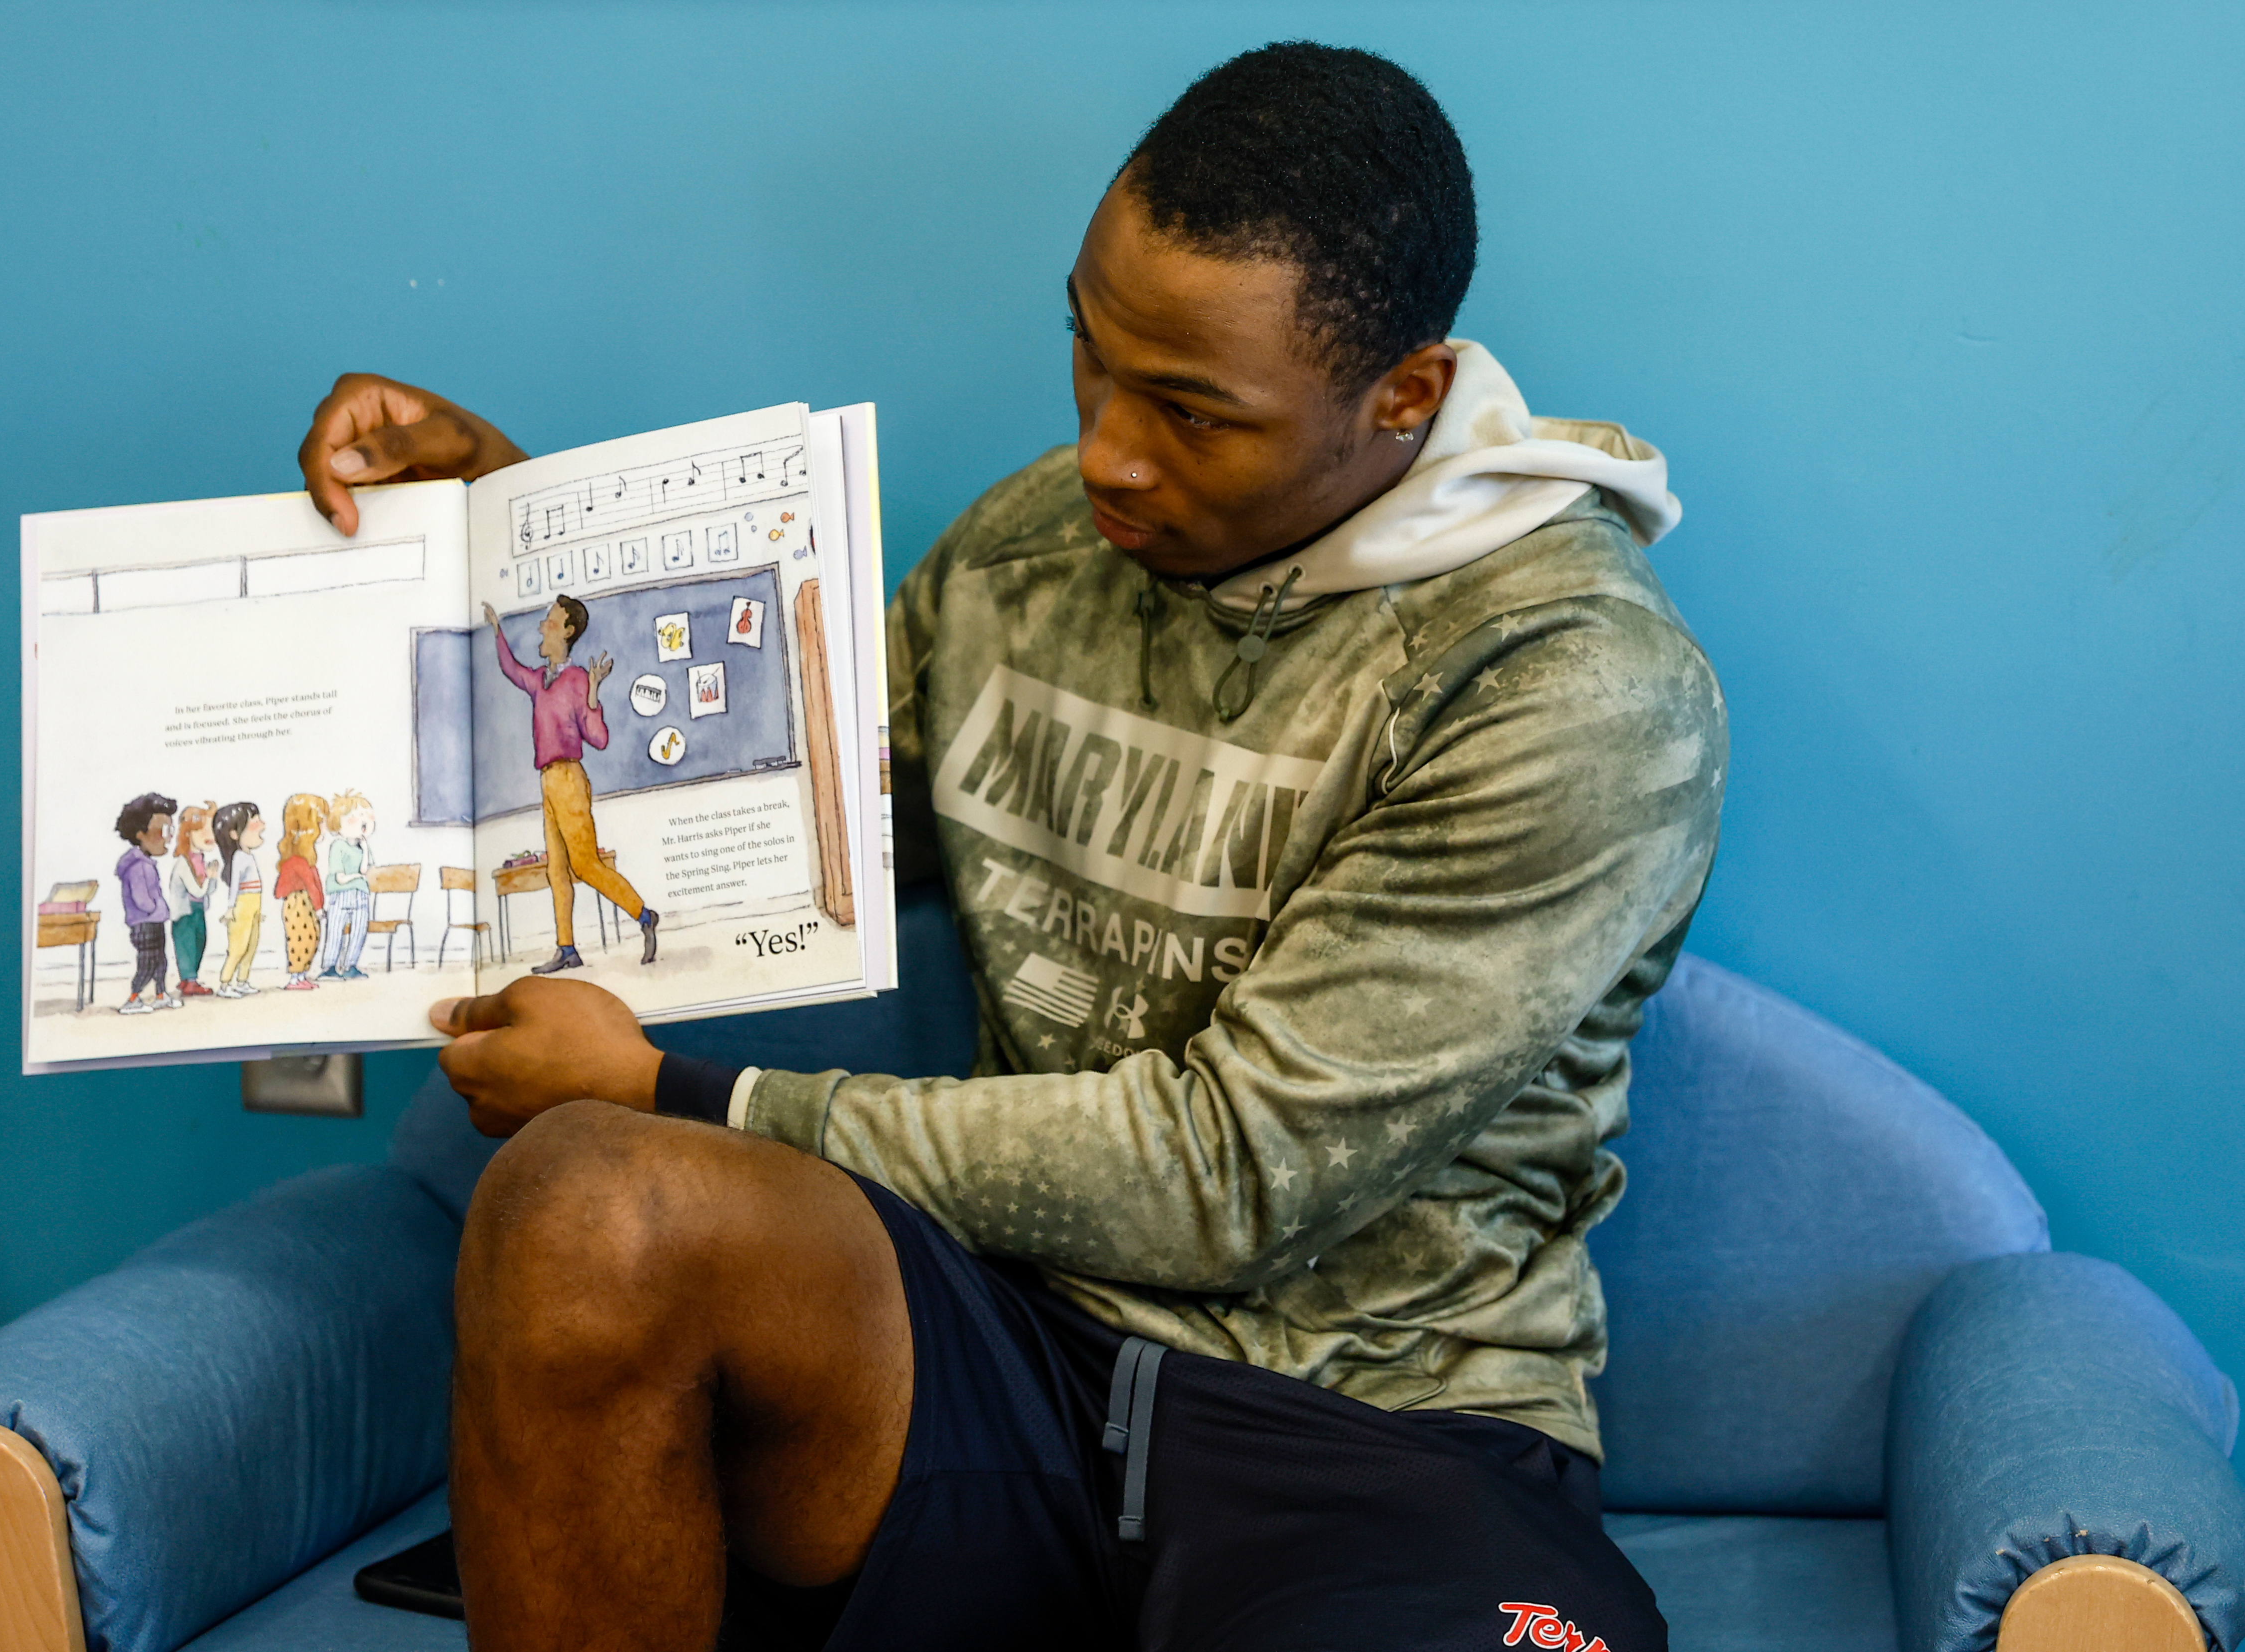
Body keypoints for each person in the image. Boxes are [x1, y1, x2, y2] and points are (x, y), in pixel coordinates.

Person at [301, 43, 1723, 1652]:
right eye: (1091, 355)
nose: (1112, 450)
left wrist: (687, 1094)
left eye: (1192, 411)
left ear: (1402, 397)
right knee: (581, 1199)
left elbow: (1232, 1175)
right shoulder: (1037, 543)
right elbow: (767, 839)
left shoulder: (1565, 683)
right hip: (981, 1344)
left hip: (1371, 1426)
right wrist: (513, 537)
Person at [481, 595, 663, 970]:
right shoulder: (539, 681)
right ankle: (567, 949)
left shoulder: (578, 678)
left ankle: (644, 915)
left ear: (566, 631)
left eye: (549, 620)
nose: (540, 626)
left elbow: (598, 738)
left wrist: (594, 691)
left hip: (569, 780)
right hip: (547, 781)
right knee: (556, 871)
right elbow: (510, 669)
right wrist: (497, 631)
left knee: (585, 865)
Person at [111, 793, 180, 1016]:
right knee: (148, 963)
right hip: (145, 923)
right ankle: (133, 998)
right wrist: (155, 908)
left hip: (156, 920)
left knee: (160, 961)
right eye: (163, 831)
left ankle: (161, 995)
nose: (169, 838)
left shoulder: (146, 863)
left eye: (171, 831)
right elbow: (141, 898)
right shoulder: (137, 865)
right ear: (141, 834)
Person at [318, 789, 377, 981]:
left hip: (360, 895)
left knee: (359, 931)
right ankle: (330, 968)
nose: (363, 823)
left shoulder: (362, 847)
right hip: (341, 895)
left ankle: (351, 966)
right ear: (339, 824)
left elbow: (364, 870)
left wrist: (366, 847)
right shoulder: (338, 845)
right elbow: (341, 878)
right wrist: (356, 877)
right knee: (335, 931)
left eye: (365, 818)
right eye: (355, 819)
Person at [209, 801, 267, 998]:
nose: (262, 826)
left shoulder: (248, 855)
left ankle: (242, 981)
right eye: (255, 823)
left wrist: (258, 911)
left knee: (252, 946)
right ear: (235, 834)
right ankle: (225, 985)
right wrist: (231, 907)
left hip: (253, 906)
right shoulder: (239, 857)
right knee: (238, 948)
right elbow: (235, 885)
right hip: (242, 906)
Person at [274, 793, 328, 991]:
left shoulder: (307, 856)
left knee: (311, 937)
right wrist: (319, 907)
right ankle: (295, 978)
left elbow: (315, 884)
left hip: (306, 903)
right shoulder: (298, 859)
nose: (325, 828)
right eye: (320, 822)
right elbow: (310, 884)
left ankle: (301, 976)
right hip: (299, 903)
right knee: (301, 939)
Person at [166, 801, 218, 998]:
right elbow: (197, 891)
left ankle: (190, 980)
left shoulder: (200, 860)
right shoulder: (183, 863)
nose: (209, 836)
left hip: (198, 909)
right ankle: (189, 981)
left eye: (211, 830)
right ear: (188, 834)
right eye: (202, 831)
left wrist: (212, 879)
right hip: (185, 912)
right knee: (187, 945)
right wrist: (209, 879)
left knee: (200, 942)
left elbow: (207, 892)